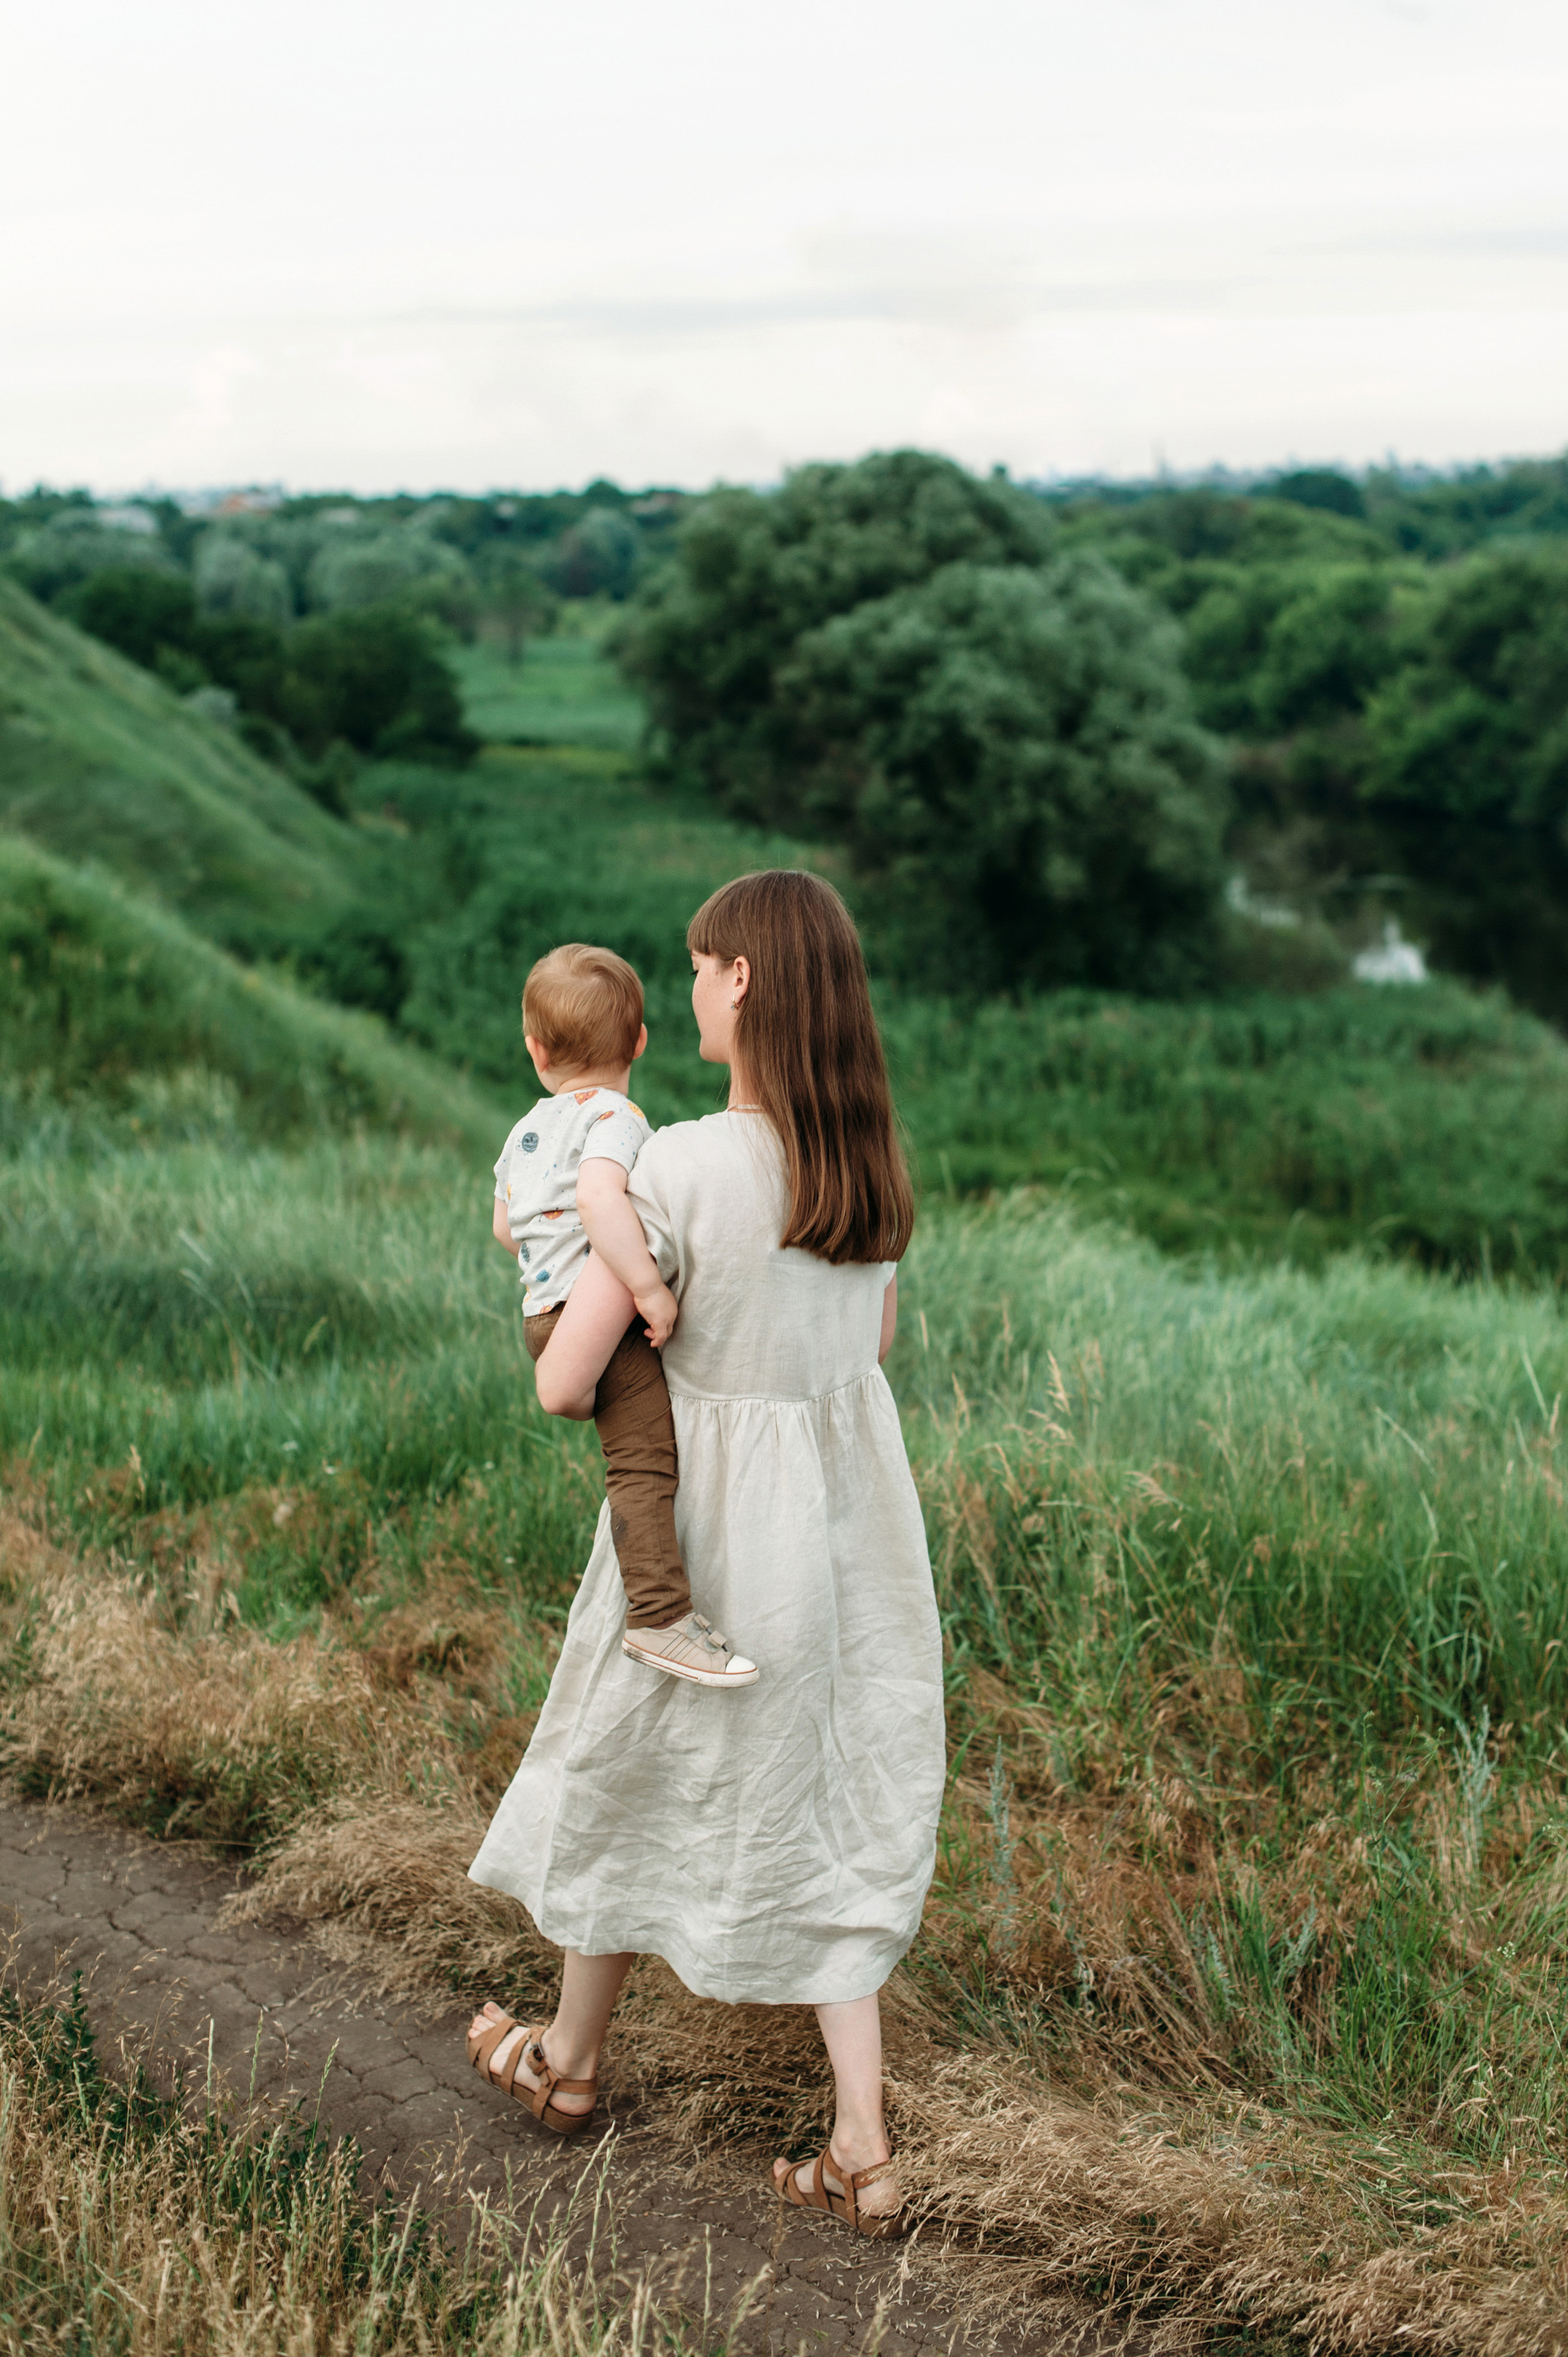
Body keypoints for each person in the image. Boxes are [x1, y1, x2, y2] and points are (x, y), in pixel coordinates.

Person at [467, 872, 946, 2235]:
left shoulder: (671, 1161)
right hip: (846, 1537)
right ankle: (860, 2137)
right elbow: (869, 1352)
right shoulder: (863, 1164)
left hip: (703, 1529)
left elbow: (566, 1382)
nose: (684, 986)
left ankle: (566, 2062)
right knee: (830, 1794)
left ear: (742, 982)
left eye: (698, 963)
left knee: (629, 1762)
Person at [492, 941, 758, 1686]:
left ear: (535, 1049)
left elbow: (506, 1229)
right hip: (597, 1321)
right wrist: (646, 1287)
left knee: (626, 1457)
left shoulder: (524, 1132)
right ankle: (659, 1616)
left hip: (541, 1311)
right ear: (639, 1041)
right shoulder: (618, 1118)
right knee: (641, 1466)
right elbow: (598, 1200)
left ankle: (653, 1609)